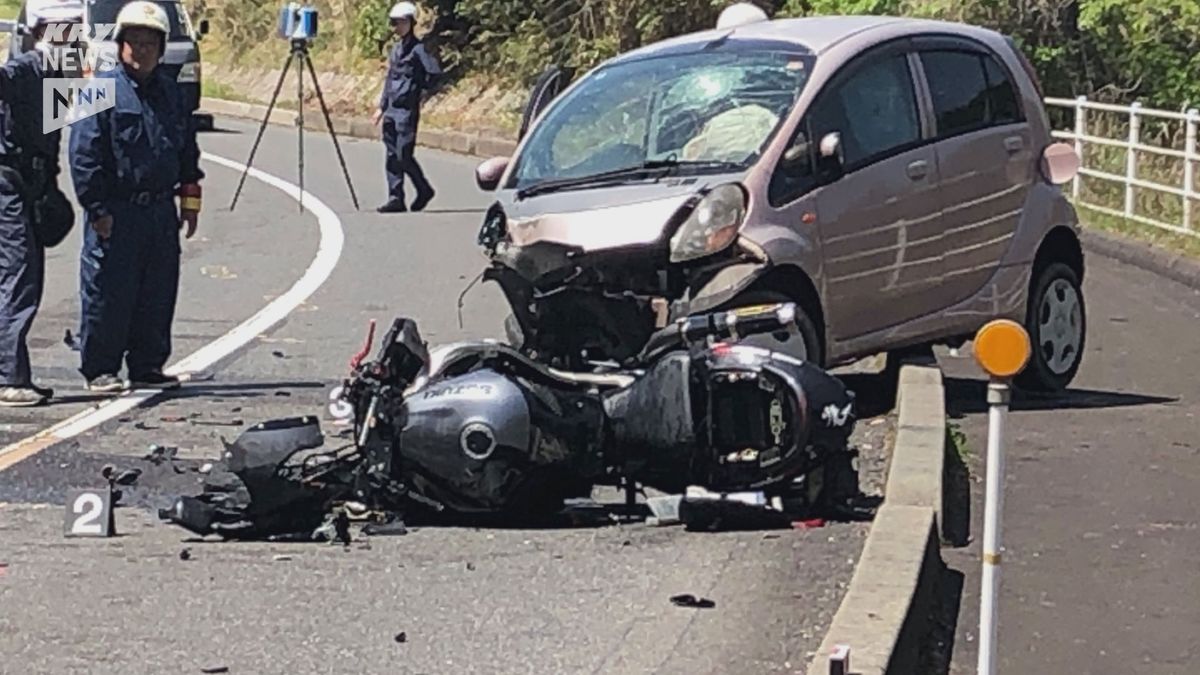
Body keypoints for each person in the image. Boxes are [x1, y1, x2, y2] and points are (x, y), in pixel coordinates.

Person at [68, 0, 204, 393]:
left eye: (149, 43)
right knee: (108, 292)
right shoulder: (100, 90)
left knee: (157, 291)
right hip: (117, 210)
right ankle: (100, 369)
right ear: (120, 45)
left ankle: (147, 365)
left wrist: (189, 201)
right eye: (134, 42)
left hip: (159, 210)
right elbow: (84, 154)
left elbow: (187, 151)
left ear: (161, 48)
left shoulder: (170, 93)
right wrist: (97, 209)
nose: (141, 50)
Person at [0, 0, 84, 407]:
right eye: (59, 28)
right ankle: (8, 377)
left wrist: (49, 188)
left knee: (26, 277)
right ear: (38, 32)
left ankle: (13, 374)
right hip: (10, 184)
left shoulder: (59, 75)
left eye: (75, 28)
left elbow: (55, 139)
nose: (69, 36)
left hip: (32, 186)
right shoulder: (26, 69)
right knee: (18, 279)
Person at [373, 1, 443, 214]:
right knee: (391, 155)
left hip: (407, 111)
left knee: (403, 154)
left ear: (410, 23)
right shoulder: (395, 50)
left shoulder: (419, 49)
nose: (396, 27)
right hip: (391, 109)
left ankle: (423, 189)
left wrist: (421, 92)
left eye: (400, 22)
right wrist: (381, 107)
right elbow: (389, 79)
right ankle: (396, 198)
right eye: (394, 23)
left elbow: (434, 73)